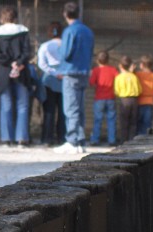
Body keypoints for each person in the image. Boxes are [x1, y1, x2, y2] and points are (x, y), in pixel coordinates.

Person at [53, 1, 94, 155]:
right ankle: (81, 141)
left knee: (71, 108)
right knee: (80, 108)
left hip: (71, 73)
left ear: (65, 14)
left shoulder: (70, 31)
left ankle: (71, 140)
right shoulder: (88, 31)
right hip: (84, 72)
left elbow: (66, 53)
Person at [0, 6, 32, 147]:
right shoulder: (23, 31)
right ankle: (22, 138)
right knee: (22, 105)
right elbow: (27, 52)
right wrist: (18, 63)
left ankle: (6, 139)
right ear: (15, 17)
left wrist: (10, 63)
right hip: (21, 70)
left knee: (6, 105)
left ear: (2, 18)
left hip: (2, 72)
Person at [37, 21, 65, 146]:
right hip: (65, 80)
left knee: (49, 111)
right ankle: (62, 138)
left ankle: (47, 138)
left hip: (49, 80)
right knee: (64, 112)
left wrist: (53, 73)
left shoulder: (45, 46)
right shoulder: (66, 45)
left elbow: (42, 64)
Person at [89, 50, 119, 146]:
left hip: (99, 98)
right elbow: (119, 80)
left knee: (98, 120)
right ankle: (112, 140)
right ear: (108, 60)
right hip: (111, 98)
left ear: (97, 60)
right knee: (111, 120)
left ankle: (95, 140)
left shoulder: (96, 70)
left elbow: (91, 83)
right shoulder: (113, 70)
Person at [114, 55, 142, 142]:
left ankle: (123, 141)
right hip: (134, 100)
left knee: (124, 122)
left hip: (124, 100)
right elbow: (139, 90)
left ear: (120, 65)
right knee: (133, 122)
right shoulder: (134, 76)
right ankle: (132, 140)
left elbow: (116, 91)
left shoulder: (118, 77)